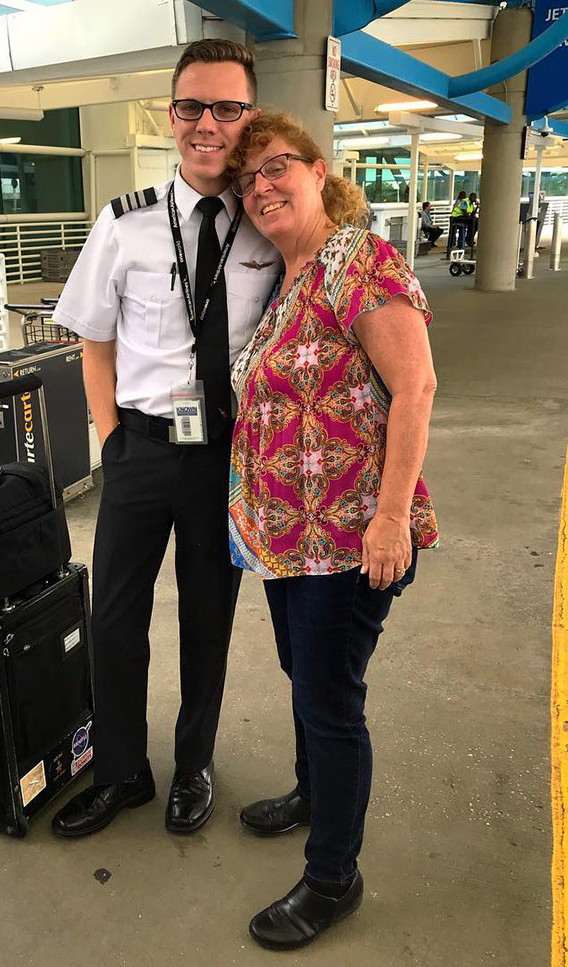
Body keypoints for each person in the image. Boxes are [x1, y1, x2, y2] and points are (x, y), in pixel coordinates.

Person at [49, 40, 279, 839]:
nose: (206, 124)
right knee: (114, 619)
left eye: (226, 107)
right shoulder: (126, 223)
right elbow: (95, 339)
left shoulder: (269, 224)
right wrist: (110, 439)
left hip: (224, 456)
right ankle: (122, 772)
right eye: (191, 107)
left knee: (207, 619)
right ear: (170, 113)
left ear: (249, 117)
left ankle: (193, 765)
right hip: (141, 449)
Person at [227, 112, 439, 951]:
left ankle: (332, 877)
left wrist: (390, 519)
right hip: (288, 540)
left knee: (329, 698)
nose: (262, 188)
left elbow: (416, 388)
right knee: (303, 678)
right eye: (248, 182)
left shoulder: (360, 260)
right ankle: (314, 793)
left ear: (320, 171)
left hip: (350, 540)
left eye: (277, 167)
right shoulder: (293, 277)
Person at [447, 190, 472, 255]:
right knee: (462, 230)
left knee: (453, 232)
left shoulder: (458, 201)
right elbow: (464, 211)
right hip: (457, 218)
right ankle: (461, 245)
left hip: (454, 218)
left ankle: (452, 245)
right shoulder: (464, 202)